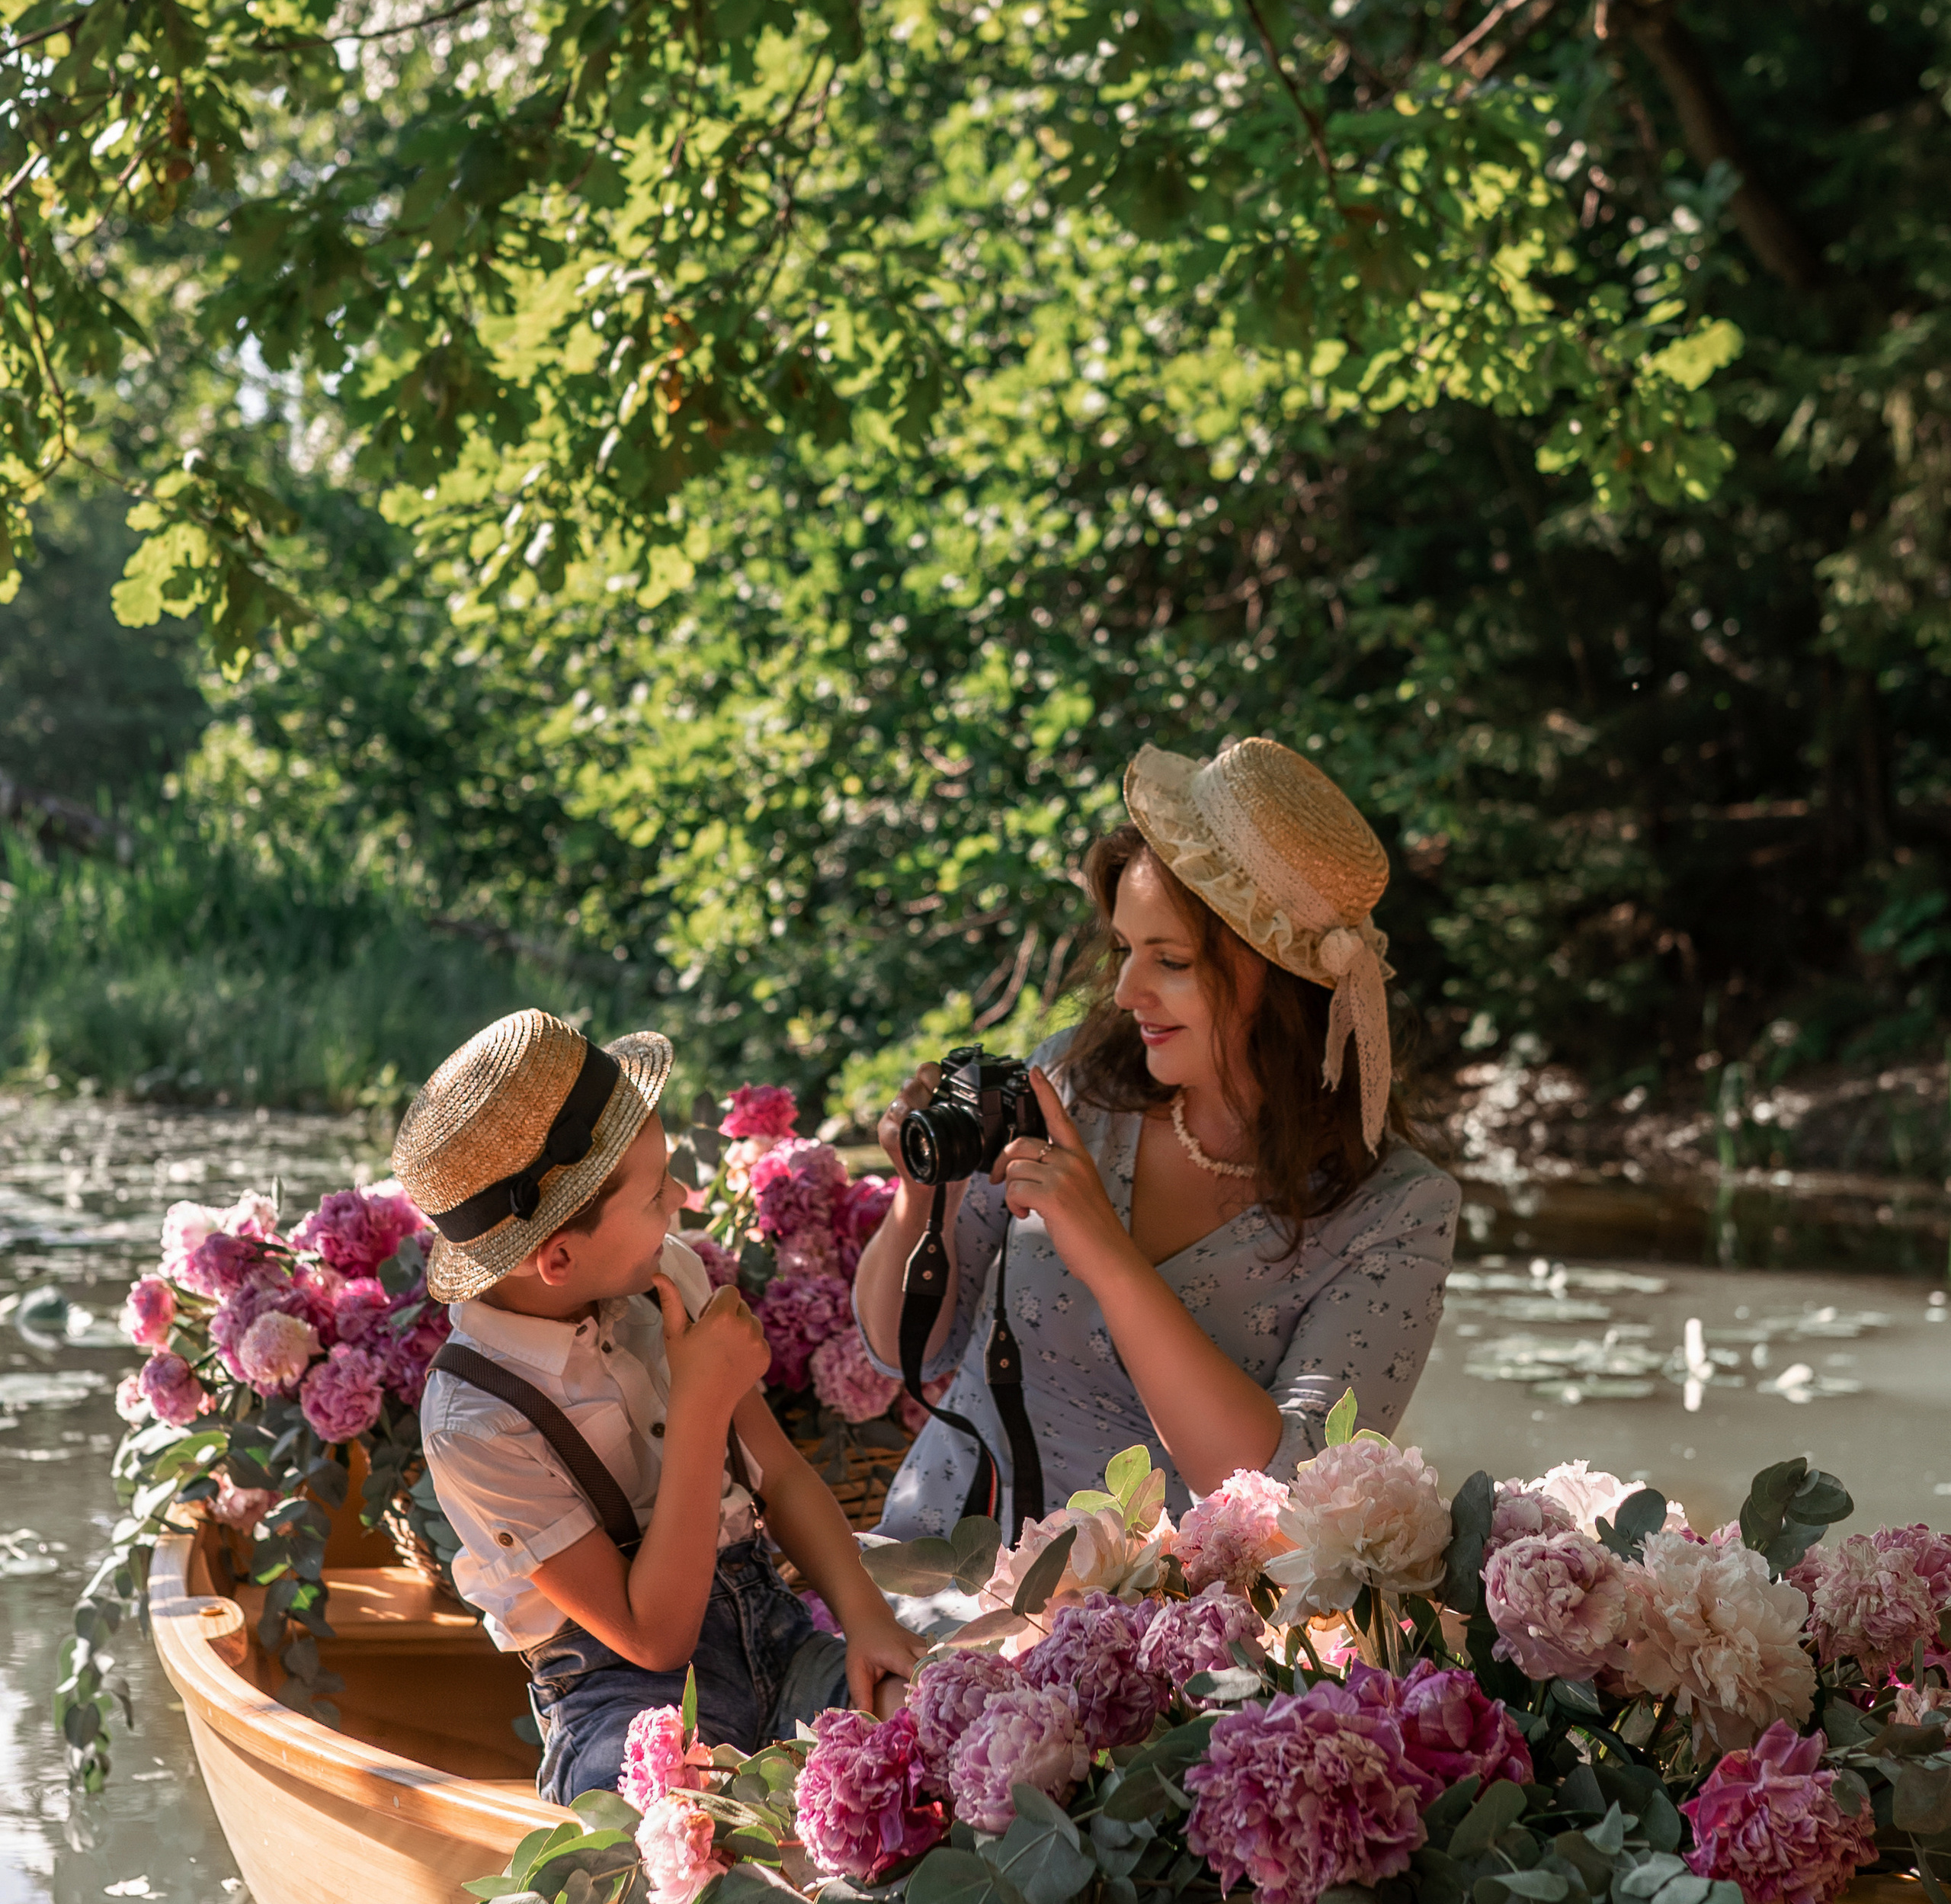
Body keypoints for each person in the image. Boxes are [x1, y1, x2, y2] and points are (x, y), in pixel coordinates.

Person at [852, 736, 1460, 1539]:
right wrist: (922, 1196)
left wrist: (1108, 1257)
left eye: (1169, 960)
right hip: (940, 1555)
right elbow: (904, 1351)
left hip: (1166, 1608)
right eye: (1124, 950)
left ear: (1280, 979)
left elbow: (1292, 1495)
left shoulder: (1400, 1211)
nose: (1126, 992)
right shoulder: (1069, 1086)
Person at [397, 1009, 923, 1801]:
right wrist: (702, 1399)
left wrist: (866, 1618)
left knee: (929, 1723)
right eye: (655, 1194)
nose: (680, 1197)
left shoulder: (667, 1275)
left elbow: (779, 1476)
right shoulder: (474, 1422)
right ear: (559, 1257)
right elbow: (654, 1637)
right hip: (626, 1698)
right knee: (659, 1814)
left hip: (777, 1640)